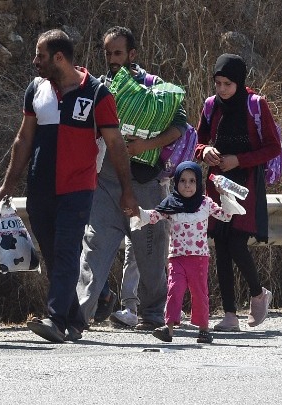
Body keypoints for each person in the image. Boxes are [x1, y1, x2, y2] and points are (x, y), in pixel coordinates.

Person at [0, 29, 138, 343]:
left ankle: (56, 319)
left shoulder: (97, 93)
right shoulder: (36, 89)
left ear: (59, 58)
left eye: (41, 56)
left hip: (78, 187)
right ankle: (85, 309)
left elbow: (116, 145)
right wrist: (8, 184)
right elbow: (24, 138)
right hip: (40, 187)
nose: (35, 62)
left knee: (66, 250)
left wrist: (127, 190)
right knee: (55, 256)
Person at [77, 26, 188, 330]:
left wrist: (143, 146)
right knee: (94, 248)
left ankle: (153, 314)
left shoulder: (154, 90)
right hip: (107, 181)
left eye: (118, 53)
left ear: (132, 54)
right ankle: (77, 316)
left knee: (151, 253)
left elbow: (181, 125)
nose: (112, 59)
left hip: (145, 185)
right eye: (108, 53)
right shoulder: (99, 87)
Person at [195, 53, 281, 331]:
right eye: (217, 83)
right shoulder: (211, 106)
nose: (221, 89)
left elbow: (272, 147)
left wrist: (239, 160)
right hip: (217, 183)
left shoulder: (256, 104)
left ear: (239, 82)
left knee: (236, 242)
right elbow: (199, 139)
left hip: (245, 184)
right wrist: (204, 151)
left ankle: (258, 294)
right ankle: (230, 315)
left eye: (227, 84)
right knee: (220, 245)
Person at [130, 161, 240, 343]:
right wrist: (137, 212)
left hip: (199, 259)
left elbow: (226, 216)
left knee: (200, 293)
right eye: (182, 180)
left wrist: (224, 194)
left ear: (198, 183)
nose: (187, 185)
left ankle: (204, 329)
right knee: (174, 291)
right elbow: (153, 217)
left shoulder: (205, 203)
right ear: (176, 183)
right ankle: (169, 328)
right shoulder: (171, 204)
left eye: (192, 181)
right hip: (176, 258)